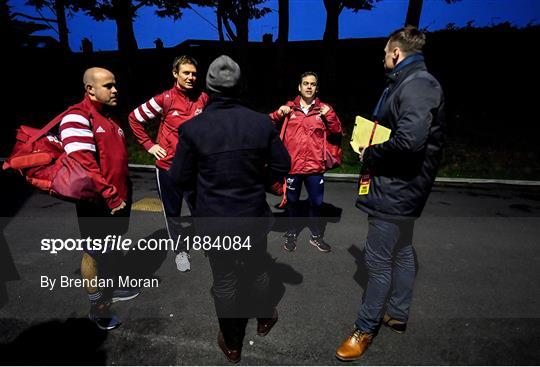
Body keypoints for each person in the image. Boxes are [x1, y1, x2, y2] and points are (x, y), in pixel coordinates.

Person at [169, 55, 291, 363]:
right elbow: (282, 164)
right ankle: (264, 319)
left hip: (214, 220)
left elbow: (179, 177)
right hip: (252, 216)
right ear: (239, 86)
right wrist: (255, 179)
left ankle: (233, 344)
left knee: (225, 280)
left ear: (208, 87)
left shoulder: (193, 129)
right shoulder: (260, 122)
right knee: (259, 269)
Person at [335, 26, 445, 361]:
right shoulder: (408, 82)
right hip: (401, 185)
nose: (383, 57)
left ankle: (364, 328)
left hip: (399, 186)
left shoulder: (419, 85)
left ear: (396, 52)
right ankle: (397, 313)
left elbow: (410, 141)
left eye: (385, 52)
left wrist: (371, 153)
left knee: (377, 258)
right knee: (402, 248)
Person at [59, 67, 138, 330]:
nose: (115, 89)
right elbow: (84, 166)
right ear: (90, 89)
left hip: (118, 200)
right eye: (108, 85)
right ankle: (97, 305)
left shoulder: (111, 120)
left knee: (111, 247)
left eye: (115, 84)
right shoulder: (76, 117)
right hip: (98, 203)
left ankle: (111, 288)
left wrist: (123, 194)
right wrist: (111, 196)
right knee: (93, 252)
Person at [129, 55, 208, 272]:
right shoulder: (165, 99)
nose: (191, 77)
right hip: (168, 166)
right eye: (186, 73)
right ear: (175, 74)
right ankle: (180, 251)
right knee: (173, 212)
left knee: (201, 208)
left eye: (193, 73)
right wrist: (149, 145)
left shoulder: (203, 98)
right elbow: (134, 118)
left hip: (195, 167)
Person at [269, 72, 342, 253]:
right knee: (292, 202)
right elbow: (268, 122)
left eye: (313, 84)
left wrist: (330, 115)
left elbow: (337, 131)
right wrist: (279, 113)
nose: (309, 87)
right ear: (299, 87)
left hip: (315, 166)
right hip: (293, 166)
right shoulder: (289, 108)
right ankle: (291, 232)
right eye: (306, 83)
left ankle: (316, 236)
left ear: (317, 88)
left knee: (317, 203)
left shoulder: (324, 109)